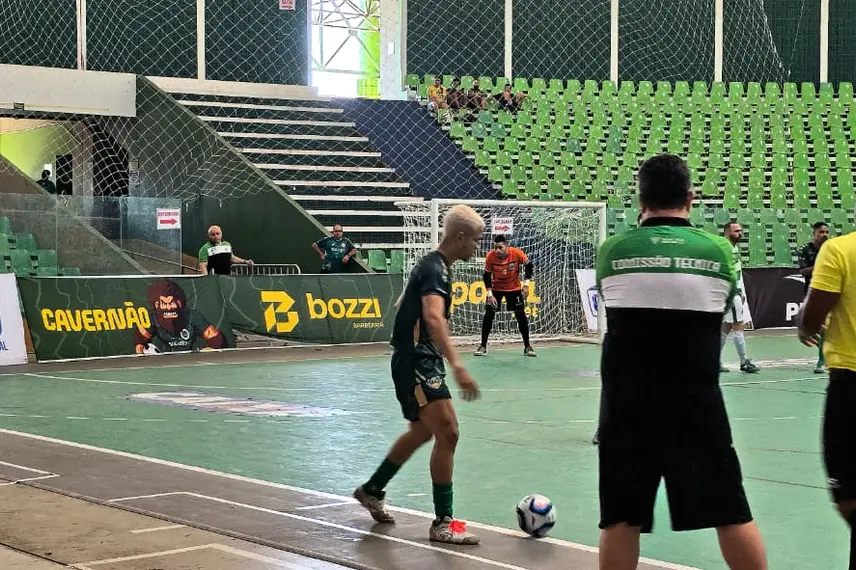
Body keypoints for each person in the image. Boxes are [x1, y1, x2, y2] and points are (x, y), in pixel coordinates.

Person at [595, 154, 767, 570]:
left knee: (621, 519)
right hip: (696, 405)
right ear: (690, 198)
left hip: (625, 409)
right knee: (731, 513)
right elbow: (723, 308)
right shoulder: (720, 251)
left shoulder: (612, 252)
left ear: (641, 201)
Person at [353, 204, 484, 545]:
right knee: (449, 432)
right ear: (459, 237)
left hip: (421, 359)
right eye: (475, 241)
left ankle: (372, 489)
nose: (477, 248)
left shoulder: (434, 266)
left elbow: (405, 306)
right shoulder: (435, 269)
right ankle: (442, 523)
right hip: (417, 362)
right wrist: (457, 365)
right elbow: (434, 317)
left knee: (423, 432)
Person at [796, 226, 856, 569]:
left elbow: (813, 317)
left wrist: (803, 324)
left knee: (847, 491)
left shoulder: (839, 250)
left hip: (851, 384)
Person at [475, 235, 536, 357]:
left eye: (500, 247)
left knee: (521, 315)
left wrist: (526, 284)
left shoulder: (516, 253)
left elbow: (529, 266)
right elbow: (486, 276)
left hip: (513, 288)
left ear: (507, 247)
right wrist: (489, 294)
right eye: (495, 247)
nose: (497, 250)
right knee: (489, 314)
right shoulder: (490, 256)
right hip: (496, 289)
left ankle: (527, 346)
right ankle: (483, 346)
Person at [720, 222, 760, 374]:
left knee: (726, 327)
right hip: (731, 292)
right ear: (727, 231)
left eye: (741, 231)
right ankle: (744, 362)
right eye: (736, 231)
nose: (740, 233)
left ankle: (715, 361)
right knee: (739, 325)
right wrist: (735, 291)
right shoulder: (726, 247)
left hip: (733, 291)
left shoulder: (733, 246)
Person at [797, 221, 830, 374]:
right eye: (821, 232)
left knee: (827, 327)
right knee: (817, 327)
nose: (824, 235)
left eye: (826, 232)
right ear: (814, 233)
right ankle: (824, 354)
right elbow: (803, 271)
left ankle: (822, 361)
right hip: (813, 292)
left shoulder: (831, 248)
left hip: (832, 290)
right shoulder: (804, 250)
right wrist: (821, 267)